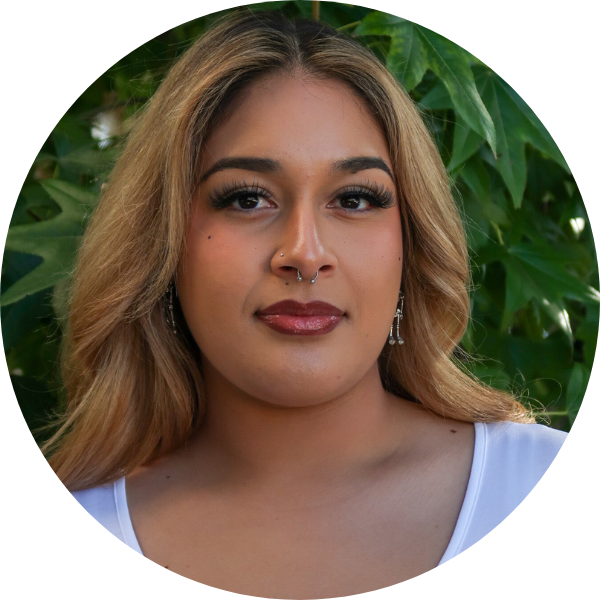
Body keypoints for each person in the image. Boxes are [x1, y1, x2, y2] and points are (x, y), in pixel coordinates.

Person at [44, 9, 567, 595]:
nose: (304, 253)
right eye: (246, 198)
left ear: (411, 244)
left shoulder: (531, 478)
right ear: (163, 242)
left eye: (355, 198)